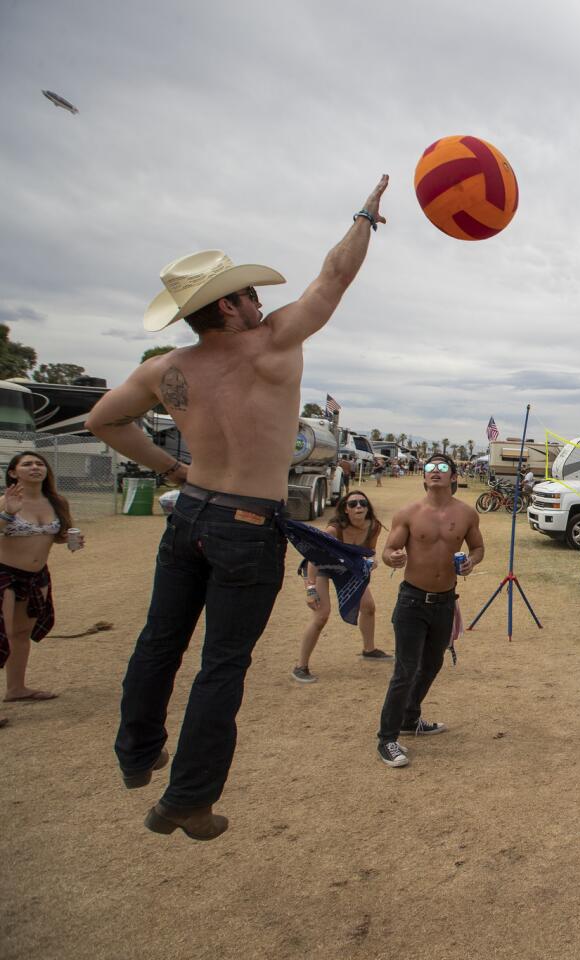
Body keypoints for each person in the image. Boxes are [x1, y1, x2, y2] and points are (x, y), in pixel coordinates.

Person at [91, 175, 390, 840]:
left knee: (158, 642)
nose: (262, 301)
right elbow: (334, 277)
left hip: (190, 512)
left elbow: (103, 421)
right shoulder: (273, 344)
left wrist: (173, 467)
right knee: (222, 664)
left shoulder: (166, 371)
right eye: (251, 293)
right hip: (246, 526)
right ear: (228, 307)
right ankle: (187, 798)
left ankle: (137, 754)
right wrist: (366, 217)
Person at [376, 454, 483, 768]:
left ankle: (410, 719)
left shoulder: (466, 514)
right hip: (412, 600)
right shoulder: (409, 513)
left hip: (444, 602)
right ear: (424, 477)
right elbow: (388, 550)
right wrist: (392, 557)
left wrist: (471, 562)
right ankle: (387, 738)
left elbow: (478, 548)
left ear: (453, 476)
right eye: (430, 468)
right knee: (405, 670)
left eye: (442, 468)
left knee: (432, 664)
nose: (435, 472)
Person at [2, 452, 84, 714]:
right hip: (4, 574)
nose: (35, 468)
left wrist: (70, 540)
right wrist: (7, 514)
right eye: (27, 464)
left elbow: (57, 535)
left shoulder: (57, 502)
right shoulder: (6, 500)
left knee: (21, 634)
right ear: (14, 472)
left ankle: (16, 689)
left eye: (39, 464)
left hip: (36, 576)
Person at [292, 491, 390, 683]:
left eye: (363, 503)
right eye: (353, 504)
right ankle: (300, 666)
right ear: (345, 509)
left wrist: (372, 560)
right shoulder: (333, 530)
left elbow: (369, 551)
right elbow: (313, 558)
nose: (359, 507)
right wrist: (310, 588)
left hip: (347, 567)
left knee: (368, 607)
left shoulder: (373, 526)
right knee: (321, 616)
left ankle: (369, 650)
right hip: (322, 567)